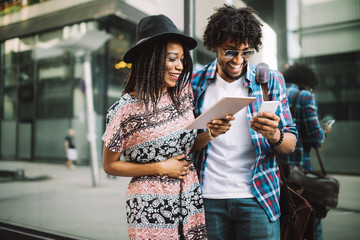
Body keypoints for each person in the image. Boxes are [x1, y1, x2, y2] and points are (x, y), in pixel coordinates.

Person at [102, 14, 232, 240]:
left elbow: (187, 147)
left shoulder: (183, 96)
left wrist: (211, 133)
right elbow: (110, 165)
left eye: (182, 59)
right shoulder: (123, 110)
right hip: (150, 206)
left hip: (189, 198)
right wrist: (160, 168)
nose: (179, 66)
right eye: (172, 58)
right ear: (150, 58)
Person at [191, 5, 297, 239]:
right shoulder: (195, 82)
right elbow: (186, 144)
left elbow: (290, 144)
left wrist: (274, 135)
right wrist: (209, 133)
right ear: (214, 45)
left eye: (246, 52)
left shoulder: (270, 81)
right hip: (208, 199)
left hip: (259, 198)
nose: (238, 60)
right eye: (230, 52)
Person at [279, 63, 332, 240]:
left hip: (276, 174)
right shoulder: (305, 96)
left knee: (284, 222)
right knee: (311, 219)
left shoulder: (273, 92)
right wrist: (324, 131)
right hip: (299, 173)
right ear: (306, 82)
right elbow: (316, 139)